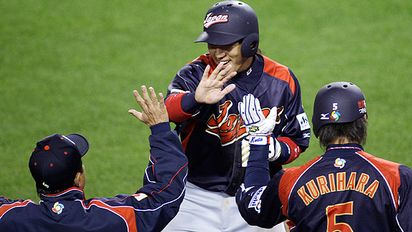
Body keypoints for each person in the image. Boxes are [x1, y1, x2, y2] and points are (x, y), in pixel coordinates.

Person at [163, 1, 310, 231]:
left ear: (250, 44)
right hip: (194, 197)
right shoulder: (196, 73)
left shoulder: (281, 80)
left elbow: (298, 140)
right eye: (213, 43)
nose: (218, 52)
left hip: (258, 193)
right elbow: (167, 111)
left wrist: (274, 149)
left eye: (227, 45)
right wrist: (195, 98)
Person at [0, 86, 188, 232]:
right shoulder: (113, 220)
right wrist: (161, 130)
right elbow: (165, 195)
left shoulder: (10, 219)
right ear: (78, 178)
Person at [236, 82, 412, 231]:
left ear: (317, 127)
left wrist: (258, 142)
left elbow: (253, 207)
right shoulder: (397, 177)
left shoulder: (290, 181)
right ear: (364, 120)